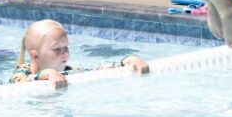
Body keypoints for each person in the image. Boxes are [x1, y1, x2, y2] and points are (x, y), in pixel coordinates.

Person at [10, 20, 149, 88]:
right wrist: (46, 74)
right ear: (35, 56)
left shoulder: (67, 71)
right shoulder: (22, 72)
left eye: (66, 47)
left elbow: (94, 71)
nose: (64, 53)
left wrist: (126, 61)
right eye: (57, 49)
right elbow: (18, 83)